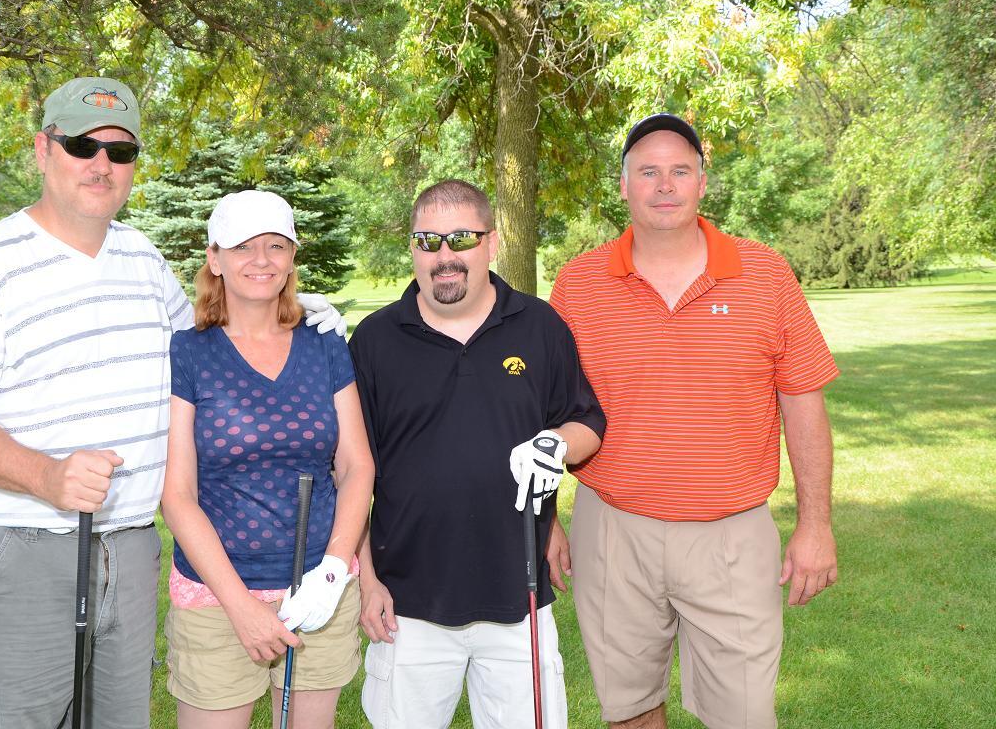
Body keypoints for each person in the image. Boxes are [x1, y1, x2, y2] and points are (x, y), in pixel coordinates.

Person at [0, 77, 345, 728]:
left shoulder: (142, 260)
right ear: (43, 150)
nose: (101, 165)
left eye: (119, 152)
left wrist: (293, 311)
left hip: (131, 551)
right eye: (82, 144)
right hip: (23, 549)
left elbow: (209, 345)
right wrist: (46, 475)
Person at [550, 114, 840, 729]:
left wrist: (815, 524)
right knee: (629, 710)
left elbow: (804, 401)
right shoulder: (578, 282)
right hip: (612, 531)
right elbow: (550, 412)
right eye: (647, 171)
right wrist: (548, 520)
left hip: (731, 535)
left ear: (702, 182)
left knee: (743, 715)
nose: (664, 185)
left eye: (679, 170)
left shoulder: (766, 273)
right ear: (623, 185)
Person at [348, 179, 606, 729]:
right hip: (406, 603)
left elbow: (587, 422)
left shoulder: (540, 326)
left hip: (520, 597)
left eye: (462, 238)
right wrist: (367, 581)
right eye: (429, 241)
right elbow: (348, 475)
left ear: (491, 242)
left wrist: (556, 445)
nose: (446, 256)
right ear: (413, 249)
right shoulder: (373, 341)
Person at [160, 189, 375, 729]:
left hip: (319, 593)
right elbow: (178, 494)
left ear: (292, 258)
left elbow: (356, 466)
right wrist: (241, 607)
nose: (261, 260)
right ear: (215, 259)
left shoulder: (325, 345)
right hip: (216, 597)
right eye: (243, 247)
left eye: (276, 246)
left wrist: (332, 571)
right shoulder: (187, 351)